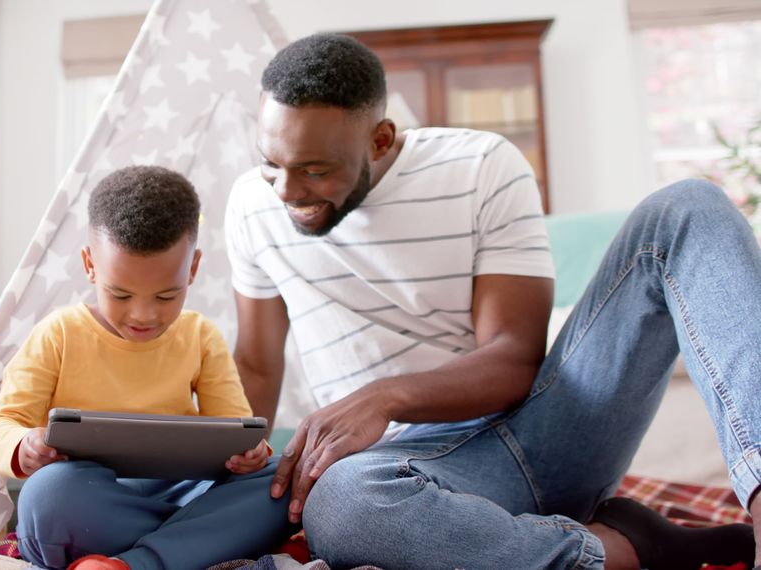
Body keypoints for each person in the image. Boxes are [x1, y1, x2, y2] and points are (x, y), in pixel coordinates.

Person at [225, 33, 760, 569]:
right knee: (342, 506)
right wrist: (225, 460)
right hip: (408, 478)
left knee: (688, 207)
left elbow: (512, 360)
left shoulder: (480, 166)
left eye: (315, 170)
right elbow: (257, 362)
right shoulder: (252, 206)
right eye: (272, 163)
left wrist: (383, 397)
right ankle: (624, 548)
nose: (286, 191)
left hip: (538, 433)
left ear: (381, 140)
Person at [0, 166, 293, 570]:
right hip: (94, 498)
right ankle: (195, 543)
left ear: (192, 269)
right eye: (120, 294)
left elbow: (236, 428)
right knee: (47, 496)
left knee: (279, 477)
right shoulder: (59, 333)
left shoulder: (200, 335)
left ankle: (133, 563)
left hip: (179, 493)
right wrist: (23, 447)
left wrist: (251, 454)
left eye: (166, 295)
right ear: (90, 265)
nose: (143, 315)